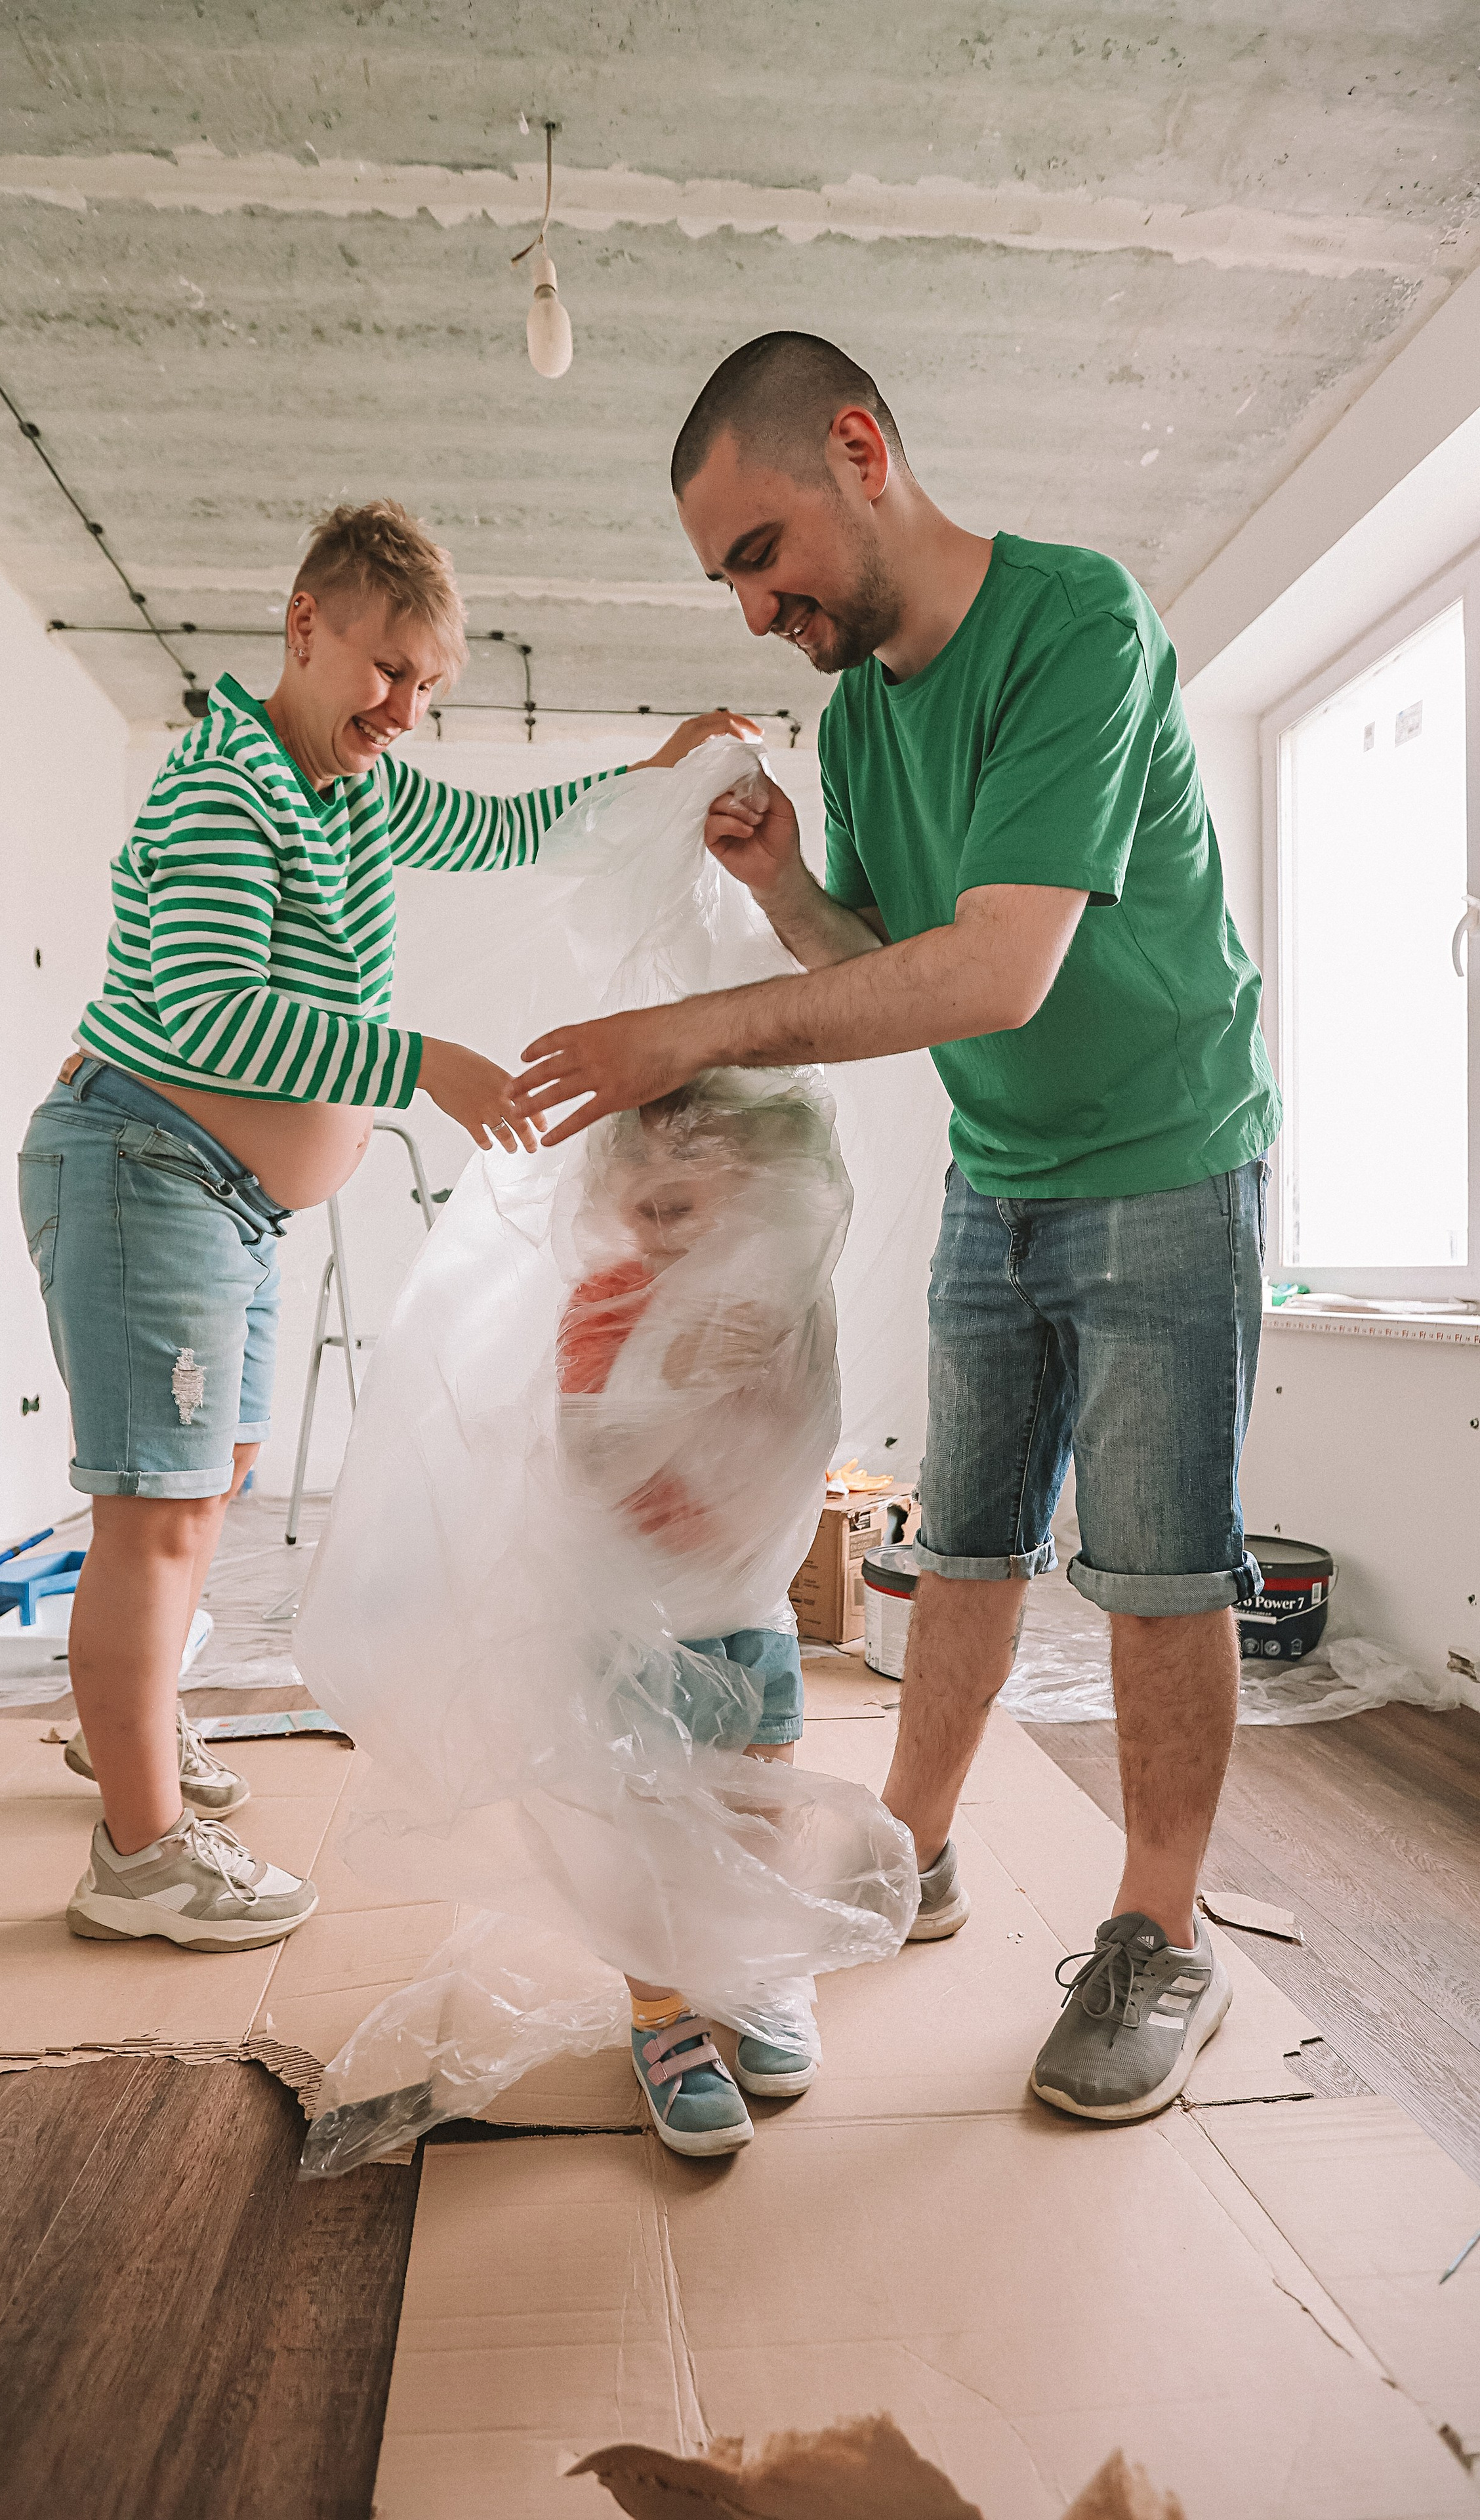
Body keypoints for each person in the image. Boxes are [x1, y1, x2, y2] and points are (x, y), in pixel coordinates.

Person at [510, 335, 1281, 2125]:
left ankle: (1159, 1935)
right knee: (968, 1543)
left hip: (1172, 1152)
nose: (754, 603)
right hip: (1002, 1171)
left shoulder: (1079, 626)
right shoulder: (861, 724)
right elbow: (895, 989)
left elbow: (1005, 969)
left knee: (1161, 1568)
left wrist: (688, 1034)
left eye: (760, 550)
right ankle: (911, 1852)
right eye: (728, 579)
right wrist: (785, 887)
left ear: (861, 450)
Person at [18, 496, 750, 1955]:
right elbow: (218, 1014)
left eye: (427, 685)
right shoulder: (230, 785)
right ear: (305, 626)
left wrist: (648, 780)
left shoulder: (349, 787)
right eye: (383, 670)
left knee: (206, 1482)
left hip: (216, 1196)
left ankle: (130, 1746)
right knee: (155, 1519)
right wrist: (422, 1062)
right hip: (143, 1167)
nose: (403, 709)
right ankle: (140, 1851)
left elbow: (500, 828)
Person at [554, 1073, 844, 2156]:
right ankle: (663, 2012)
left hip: (750, 1603)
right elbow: (589, 1454)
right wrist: (673, 1362)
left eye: (688, 1208)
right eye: (645, 1211)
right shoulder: (608, 1301)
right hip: (639, 1617)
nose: (661, 1234)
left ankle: (762, 1971)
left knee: (764, 1800)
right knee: (647, 1824)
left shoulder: (780, 1301)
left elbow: (800, 1440)